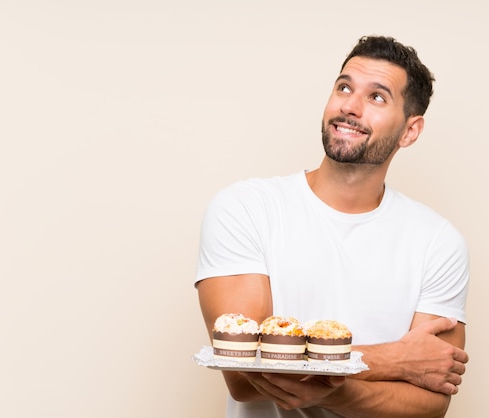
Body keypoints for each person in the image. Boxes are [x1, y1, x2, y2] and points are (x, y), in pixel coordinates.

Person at [195, 35, 470, 418]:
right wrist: (394, 360)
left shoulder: (438, 243)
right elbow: (244, 376)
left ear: (410, 130)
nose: (350, 107)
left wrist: (331, 392)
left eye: (377, 97)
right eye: (344, 87)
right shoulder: (245, 208)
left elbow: (430, 403)